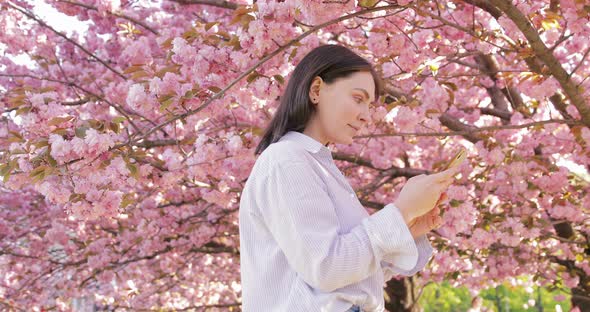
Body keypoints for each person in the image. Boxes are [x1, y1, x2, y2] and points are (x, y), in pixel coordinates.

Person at [239, 44, 458, 312]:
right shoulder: (287, 159)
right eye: (358, 98)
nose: (366, 115)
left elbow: (347, 275)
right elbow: (327, 267)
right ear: (316, 90)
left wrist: (407, 228)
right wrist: (401, 211)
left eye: (369, 105)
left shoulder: (316, 165)